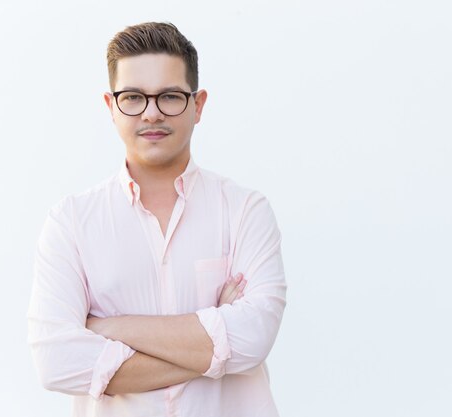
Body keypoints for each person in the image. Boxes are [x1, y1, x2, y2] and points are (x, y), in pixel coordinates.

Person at [27, 22, 287, 417]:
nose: (151, 113)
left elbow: (252, 340)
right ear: (111, 106)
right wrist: (213, 336)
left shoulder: (245, 211)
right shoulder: (71, 223)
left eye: (169, 96)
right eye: (133, 97)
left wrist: (106, 329)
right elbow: (56, 362)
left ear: (198, 105)